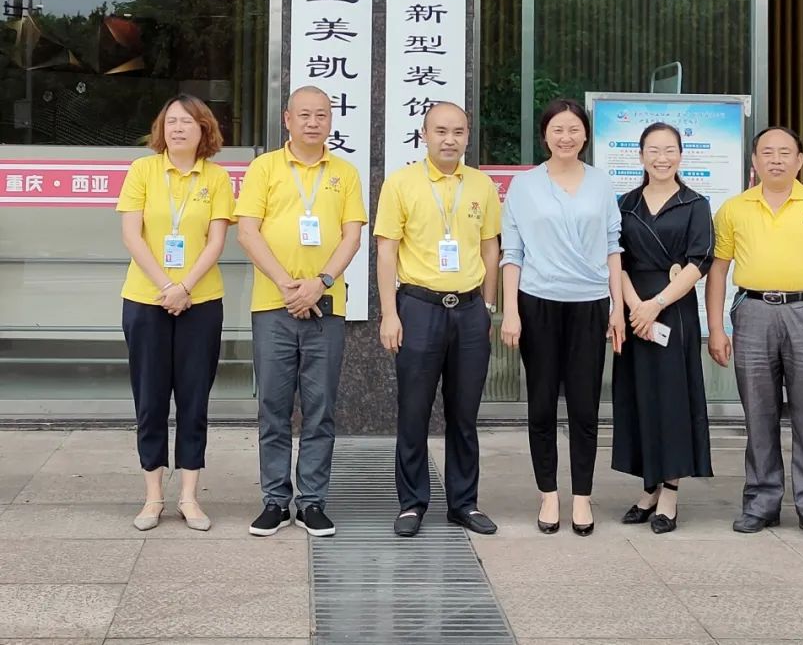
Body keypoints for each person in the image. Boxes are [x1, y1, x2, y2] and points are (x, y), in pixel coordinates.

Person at [705, 126, 803, 543]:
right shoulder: (734, 209)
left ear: (799, 160)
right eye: (767, 152)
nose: (775, 160)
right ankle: (761, 502)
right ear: (754, 161)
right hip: (753, 312)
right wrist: (716, 329)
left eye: (784, 152)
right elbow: (718, 272)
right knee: (758, 413)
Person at [236, 85, 366, 538]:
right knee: (273, 407)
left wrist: (320, 283)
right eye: (304, 115)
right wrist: (287, 284)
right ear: (287, 119)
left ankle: (312, 501)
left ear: (331, 121)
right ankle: (275, 500)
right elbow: (247, 232)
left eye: (321, 115)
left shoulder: (345, 173)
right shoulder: (264, 168)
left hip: (326, 307)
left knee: (320, 408)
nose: (313, 122)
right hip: (273, 306)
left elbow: (352, 236)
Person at [375, 102, 502, 538]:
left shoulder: (481, 185)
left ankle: (464, 503)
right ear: (424, 135)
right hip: (418, 307)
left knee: (464, 414)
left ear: (468, 136)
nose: (450, 139)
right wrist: (389, 314)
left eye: (458, 132)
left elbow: (490, 248)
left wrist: (487, 307)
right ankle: (412, 503)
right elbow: (387, 250)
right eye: (441, 131)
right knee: (413, 412)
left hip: (469, 310)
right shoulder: (401, 183)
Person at [500, 97, 626, 536]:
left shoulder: (601, 183)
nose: (566, 137)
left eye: (574, 129)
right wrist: (510, 311)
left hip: (590, 305)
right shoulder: (524, 186)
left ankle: (583, 497)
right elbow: (512, 252)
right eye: (557, 129)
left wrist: (617, 307)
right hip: (538, 303)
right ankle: (549, 494)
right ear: (545, 136)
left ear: (585, 135)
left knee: (585, 406)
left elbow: (613, 247)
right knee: (540, 404)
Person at [117, 94, 235, 532]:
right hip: (145, 300)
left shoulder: (217, 178)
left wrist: (185, 287)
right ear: (161, 129)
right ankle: (153, 497)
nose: (178, 128)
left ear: (204, 129)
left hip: (200, 303)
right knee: (150, 400)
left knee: (193, 400)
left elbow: (216, 242)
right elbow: (132, 235)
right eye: (171, 122)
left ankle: (189, 496)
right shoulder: (142, 171)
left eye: (187, 121)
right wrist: (166, 286)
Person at [612, 122, 715, 534]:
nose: (661, 158)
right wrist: (634, 306)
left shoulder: (695, 204)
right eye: (653, 150)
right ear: (640, 156)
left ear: (680, 156)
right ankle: (649, 486)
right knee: (639, 397)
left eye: (669, 150)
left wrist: (655, 305)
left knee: (672, 399)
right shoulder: (625, 204)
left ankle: (670, 490)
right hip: (633, 309)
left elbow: (698, 262)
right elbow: (615, 258)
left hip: (673, 309)